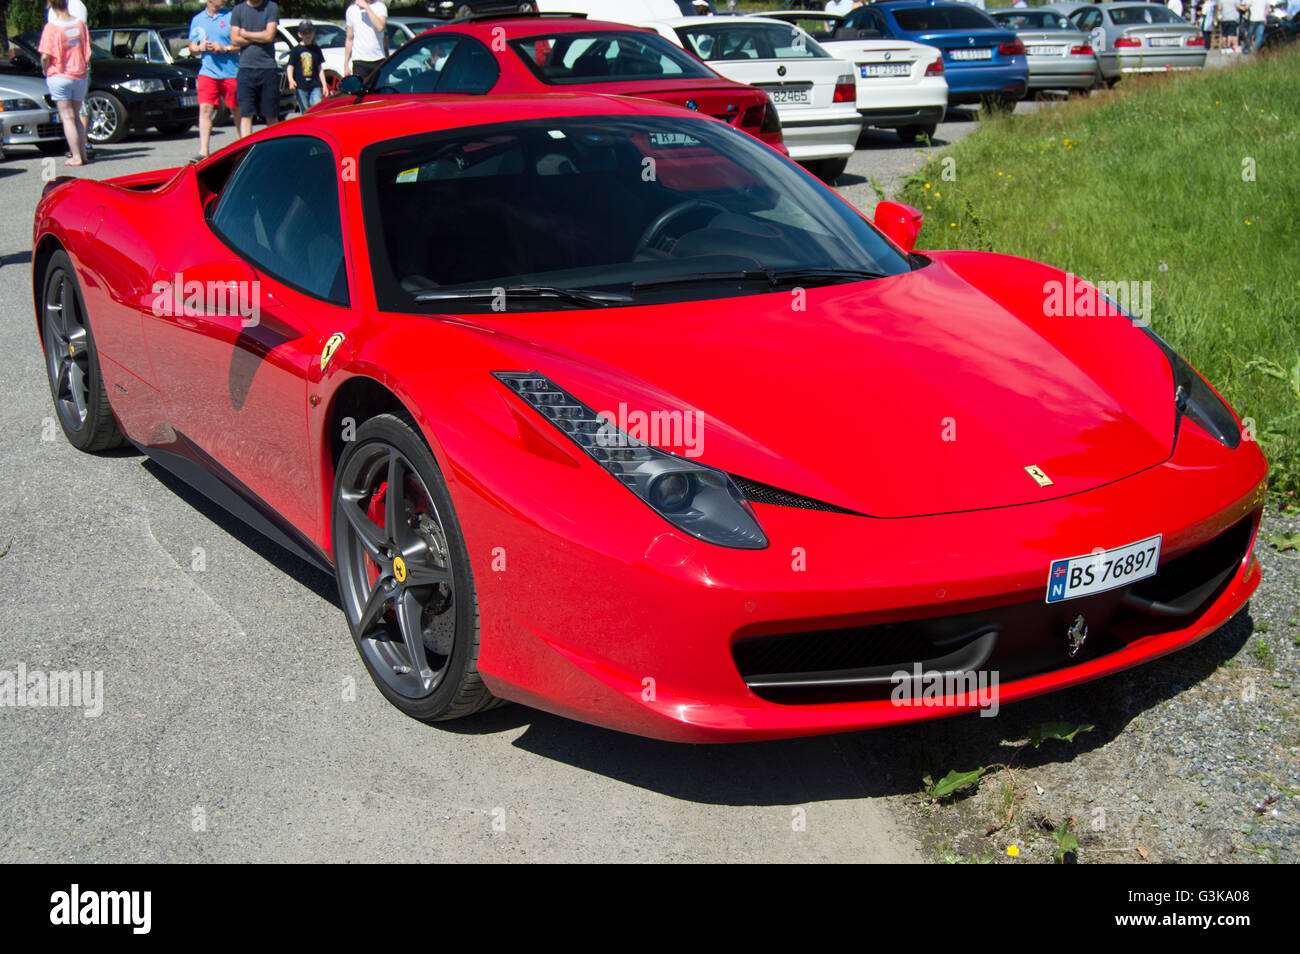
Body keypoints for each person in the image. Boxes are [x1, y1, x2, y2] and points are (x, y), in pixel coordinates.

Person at [39, 0, 90, 166]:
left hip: (59, 75)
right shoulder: (80, 24)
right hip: (79, 75)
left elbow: (45, 56)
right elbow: (86, 49)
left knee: (67, 117)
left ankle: (75, 156)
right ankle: (83, 153)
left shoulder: (52, 27)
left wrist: (45, 70)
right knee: (76, 116)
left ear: (51, 5)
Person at [189, 0, 242, 159]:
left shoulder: (232, 17)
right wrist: (201, 47)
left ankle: (244, 144)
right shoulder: (197, 19)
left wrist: (224, 48)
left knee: (237, 110)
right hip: (208, 72)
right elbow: (192, 48)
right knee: (205, 109)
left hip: (231, 72)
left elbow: (242, 45)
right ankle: (203, 151)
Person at [230, 0, 280, 137]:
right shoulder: (238, 10)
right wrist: (259, 36)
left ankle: (274, 149)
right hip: (245, 68)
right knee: (246, 115)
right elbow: (234, 39)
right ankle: (247, 150)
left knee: (271, 115)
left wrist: (245, 34)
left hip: (267, 68)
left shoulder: (271, 7)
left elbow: (269, 36)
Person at [287, 21, 325, 113]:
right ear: (299, 34)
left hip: (314, 84)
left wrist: (324, 84)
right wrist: (291, 80)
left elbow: (320, 68)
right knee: (304, 110)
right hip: (301, 85)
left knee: (317, 107)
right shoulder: (296, 50)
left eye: (310, 32)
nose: (308, 35)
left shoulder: (316, 49)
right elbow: (290, 66)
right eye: (304, 33)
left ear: (313, 33)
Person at [343, 0, 387, 80]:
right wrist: (346, 64)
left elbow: (380, 27)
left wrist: (367, 7)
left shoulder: (380, 6)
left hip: (378, 58)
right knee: (360, 91)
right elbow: (349, 38)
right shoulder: (351, 10)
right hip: (359, 60)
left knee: (379, 90)